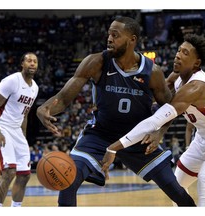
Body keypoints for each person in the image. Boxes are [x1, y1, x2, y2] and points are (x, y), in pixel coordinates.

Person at [36, 16, 196, 207]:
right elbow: (63, 98)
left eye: (115, 35)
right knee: (67, 180)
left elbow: (169, 109)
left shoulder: (152, 72)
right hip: (100, 135)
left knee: (175, 190)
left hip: (138, 138)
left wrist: (158, 132)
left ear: (132, 40)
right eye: (109, 34)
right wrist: (45, 107)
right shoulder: (96, 62)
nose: (109, 39)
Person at [101, 33, 205, 207]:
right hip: (202, 138)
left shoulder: (196, 87)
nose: (177, 54)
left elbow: (157, 119)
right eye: (178, 50)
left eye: (185, 53)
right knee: (177, 187)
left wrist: (114, 147)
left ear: (196, 63)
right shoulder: (177, 78)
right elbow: (158, 100)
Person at [0, 52, 39, 207]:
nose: (32, 63)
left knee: (24, 175)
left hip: (17, 131)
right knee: (9, 172)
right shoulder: (11, 81)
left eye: (35, 62)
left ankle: (16, 209)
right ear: (22, 64)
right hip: (1, 126)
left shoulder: (34, 88)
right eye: (29, 61)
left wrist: (22, 137)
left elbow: (25, 114)